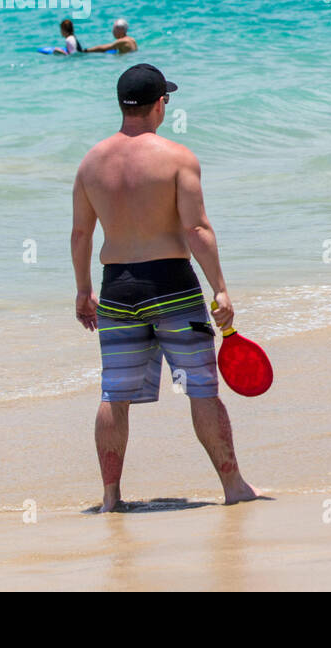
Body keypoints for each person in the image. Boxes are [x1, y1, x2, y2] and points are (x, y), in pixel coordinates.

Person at [71, 63, 263, 510]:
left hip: (118, 287)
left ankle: (110, 498)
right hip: (172, 284)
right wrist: (220, 288)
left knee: (113, 394)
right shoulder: (178, 158)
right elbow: (196, 228)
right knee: (200, 388)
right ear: (161, 103)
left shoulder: (90, 163)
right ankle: (233, 487)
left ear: (122, 105)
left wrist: (83, 291)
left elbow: (81, 235)